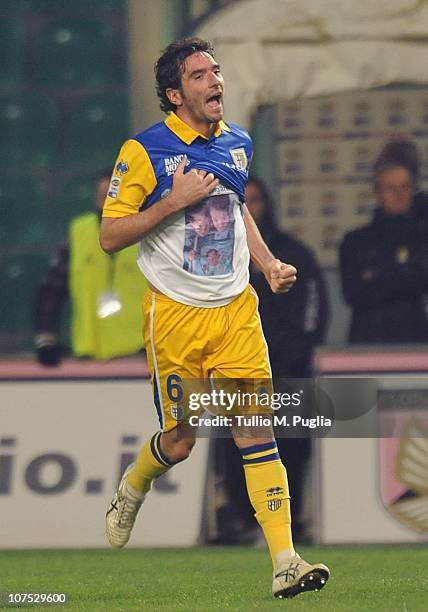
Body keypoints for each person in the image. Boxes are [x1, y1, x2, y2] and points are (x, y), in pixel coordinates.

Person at [100, 37, 329, 599]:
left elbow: (234, 206)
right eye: (200, 75)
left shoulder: (237, 143)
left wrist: (268, 263)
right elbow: (110, 236)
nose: (215, 82)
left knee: (255, 430)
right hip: (175, 319)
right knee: (180, 443)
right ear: (175, 94)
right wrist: (171, 203)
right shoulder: (144, 150)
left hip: (235, 314)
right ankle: (133, 486)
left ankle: (285, 561)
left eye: (217, 71)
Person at [215, 176, 329, 544]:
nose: (252, 208)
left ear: (267, 205)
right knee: (235, 446)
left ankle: (289, 525)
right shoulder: (219, 256)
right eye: (244, 201)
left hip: (287, 371)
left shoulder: (294, 253)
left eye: (257, 200)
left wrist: (293, 358)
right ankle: (243, 522)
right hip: (237, 369)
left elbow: (314, 311)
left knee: (292, 447)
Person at [34, 170, 147, 365]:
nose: (106, 204)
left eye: (113, 197)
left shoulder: (149, 231)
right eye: (102, 197)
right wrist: (46, 339)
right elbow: (51, 289)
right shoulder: (79, 232)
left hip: (141, 355)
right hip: (89, 356)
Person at [339, 153, 428, 343]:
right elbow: (354, 293)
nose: (399, 194)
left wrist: (378, 275)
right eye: (391, 188)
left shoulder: (422, 238)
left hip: (416, 341)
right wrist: (403, 273)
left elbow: (422, 281)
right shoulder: (355, 241)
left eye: (405, 187)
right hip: (368, 340)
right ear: (376, 194)